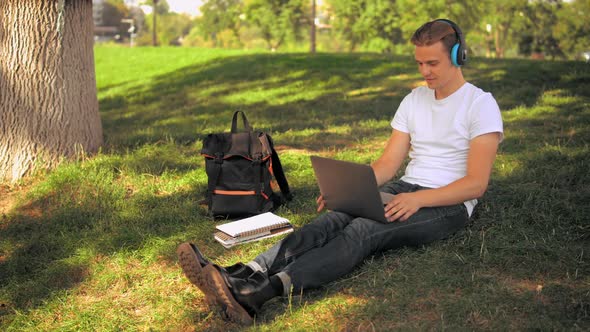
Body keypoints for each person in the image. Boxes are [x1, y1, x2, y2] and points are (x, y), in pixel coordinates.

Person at [177, 18, 504, 325]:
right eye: (419, 63)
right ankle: (242, 272)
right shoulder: (415, 99)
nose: (424, 72)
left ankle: (259, 293)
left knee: (364, 230)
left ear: (459, 56)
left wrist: (418, 200)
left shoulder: (480, 105)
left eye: (432, 63)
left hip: (449, 204)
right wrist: (348, 192)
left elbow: (475, 184)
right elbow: (387, 165)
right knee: (332, 219)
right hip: (406, 188)